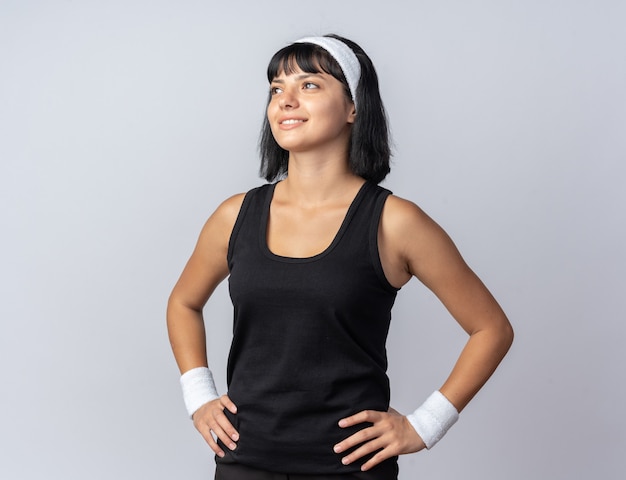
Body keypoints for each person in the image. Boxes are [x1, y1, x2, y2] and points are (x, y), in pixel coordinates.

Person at [167, 34, 513, 480]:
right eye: (276, 88)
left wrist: (424, 426)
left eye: (309, 85)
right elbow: (183, 303)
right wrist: (199, 398)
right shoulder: (235, 215)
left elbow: (491, 328)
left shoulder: (394, 222)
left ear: (354, 108)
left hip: (351, 468)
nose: (286, 100)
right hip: (245, 462)